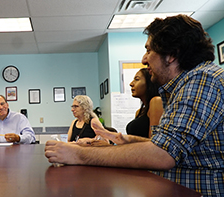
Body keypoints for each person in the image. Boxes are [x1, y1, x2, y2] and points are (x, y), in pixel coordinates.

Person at [45, 15, 224, 196]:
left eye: (149, 50)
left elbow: (162, 155)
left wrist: (78, 155)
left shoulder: (203, 79)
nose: (144, 59)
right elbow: (168, 145)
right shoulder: (187, 84)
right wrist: (120, 142)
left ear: (171, 55)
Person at [126, 68, 163, 138]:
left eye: (137, 79)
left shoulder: (157, 102)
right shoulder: (139, 112)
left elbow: (154, 140)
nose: (131, 84)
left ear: (149, 82)